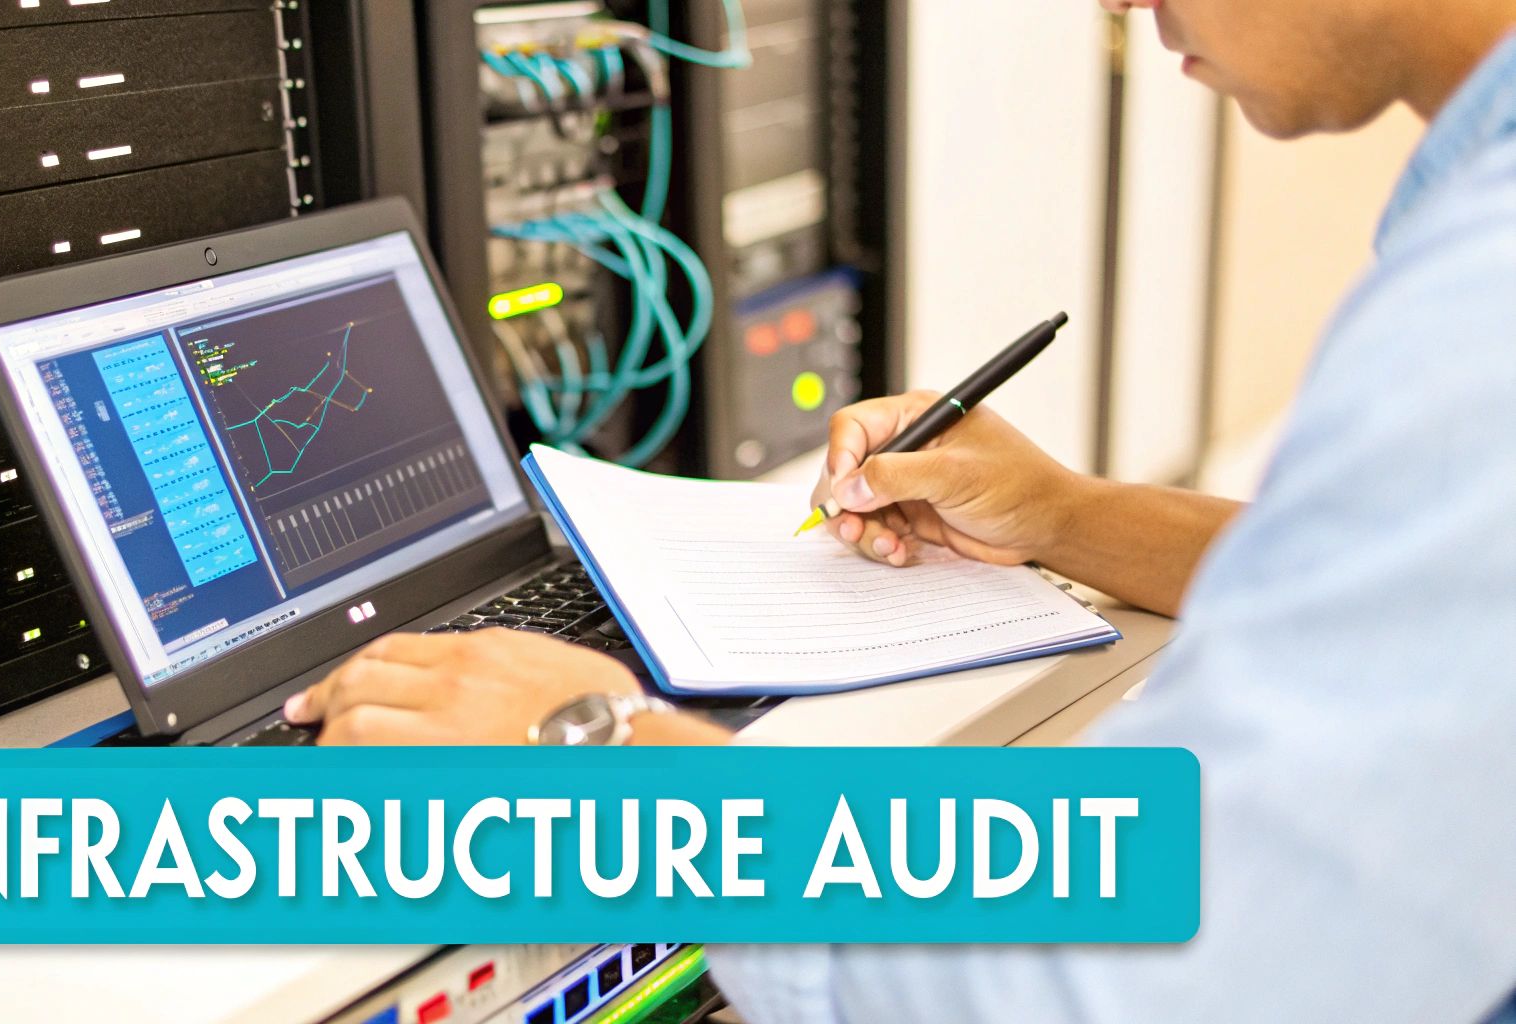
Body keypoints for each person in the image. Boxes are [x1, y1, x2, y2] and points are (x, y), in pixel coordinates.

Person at [284, 0, 1516, 1018]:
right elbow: (1414, 593)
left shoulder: (1477, 313)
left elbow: (1105, 980)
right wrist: (1062, 514)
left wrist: (593, 744)